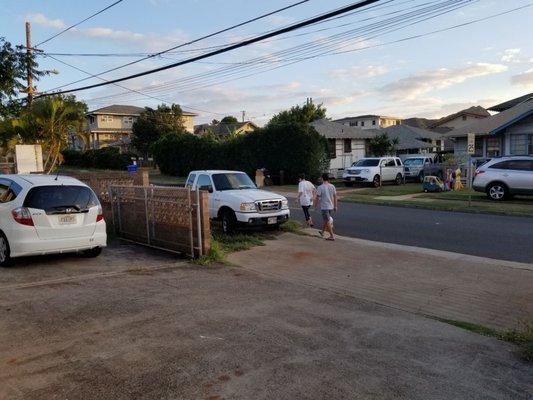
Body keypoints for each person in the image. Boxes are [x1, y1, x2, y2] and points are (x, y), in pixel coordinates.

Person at [314, 173, 337, 241]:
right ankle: (322, 232)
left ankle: (332, 236)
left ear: (322, 178)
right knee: (326, 219)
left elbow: (317, 198)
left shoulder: (320, 187)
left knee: (327, 221)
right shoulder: (332, 186)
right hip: (331, 206)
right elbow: (335, 196)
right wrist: (335, 206)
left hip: (325, 207)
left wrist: (315, 205)